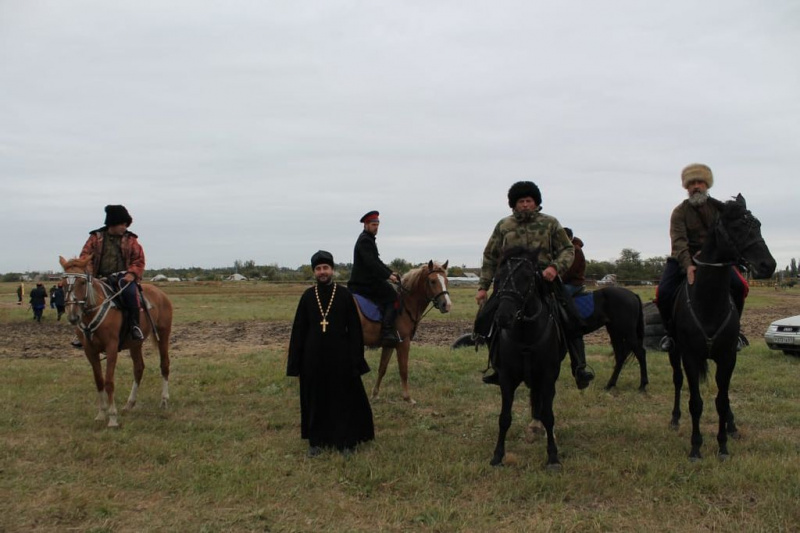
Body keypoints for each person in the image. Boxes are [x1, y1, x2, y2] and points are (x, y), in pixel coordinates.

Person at [476, 181, 595, 389]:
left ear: (536, 202)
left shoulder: (550, 223)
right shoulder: (504, 225)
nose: (524, 204)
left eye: (528, 200)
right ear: (514, 204)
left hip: (544, 281)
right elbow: (490, 256)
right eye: (520, 201)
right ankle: (497, 366)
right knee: (486, 319)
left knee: (572, 318)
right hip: (510, 283)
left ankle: (579, 366)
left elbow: (568, 250)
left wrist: (555, 268)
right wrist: (483, 286)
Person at [287, 250, 375, 457]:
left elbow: (354, 330)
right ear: (314, 272)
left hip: (341, 358)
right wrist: (295, 363)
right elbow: (299, 330)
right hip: (312, 359)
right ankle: (315, 441)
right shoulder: (308, 296)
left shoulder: (344, 295)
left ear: (332, 270)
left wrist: (356, 360)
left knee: (343, 399)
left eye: (325, 268)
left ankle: (346, 442)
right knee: (315, 399)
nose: (322, 272)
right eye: (318, 269)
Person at [656, 163, 749, 351]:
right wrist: (688, 265)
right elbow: (679, 241)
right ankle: (670, 334)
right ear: (686, 187)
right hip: (684, 260)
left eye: (700, 182)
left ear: (707, 185)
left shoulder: (720, 209)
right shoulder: (679, 212)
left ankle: (735, 332)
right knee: (663, 292)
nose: (696, 186)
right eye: (691, 183)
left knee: (740, 286)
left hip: (715, 261)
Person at [79, 205, 146, 340]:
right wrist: (90, 274)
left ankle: (134, 325)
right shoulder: (95, 238)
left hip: (123, 277)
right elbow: (85, 257)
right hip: (98, 278)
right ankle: (82, 331)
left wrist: (132, 274)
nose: (124, 227)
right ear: (112, 223)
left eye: (126, 224)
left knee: (130, 293)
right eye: (122, 224)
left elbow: (138, 259)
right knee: (83, 297)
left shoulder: (131, 240)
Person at [347, 210, 401, 346]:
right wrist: (388, 276)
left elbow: (377, 261)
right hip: (364, 283)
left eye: (377, 224)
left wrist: (391, 272)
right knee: (393, 296)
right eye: (373, 224)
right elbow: (371, 263)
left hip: (367, 281)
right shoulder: (365, 240)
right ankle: (387, 331)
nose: (376, 227)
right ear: (365, 225)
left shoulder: (368, 239)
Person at [561, 228, 586, 297]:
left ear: (568, 237)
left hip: (574, 283)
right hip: (566, 282)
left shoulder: (575, 250)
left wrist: (558, 278)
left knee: (560, 295)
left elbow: (571, 271)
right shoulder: (566, 249)